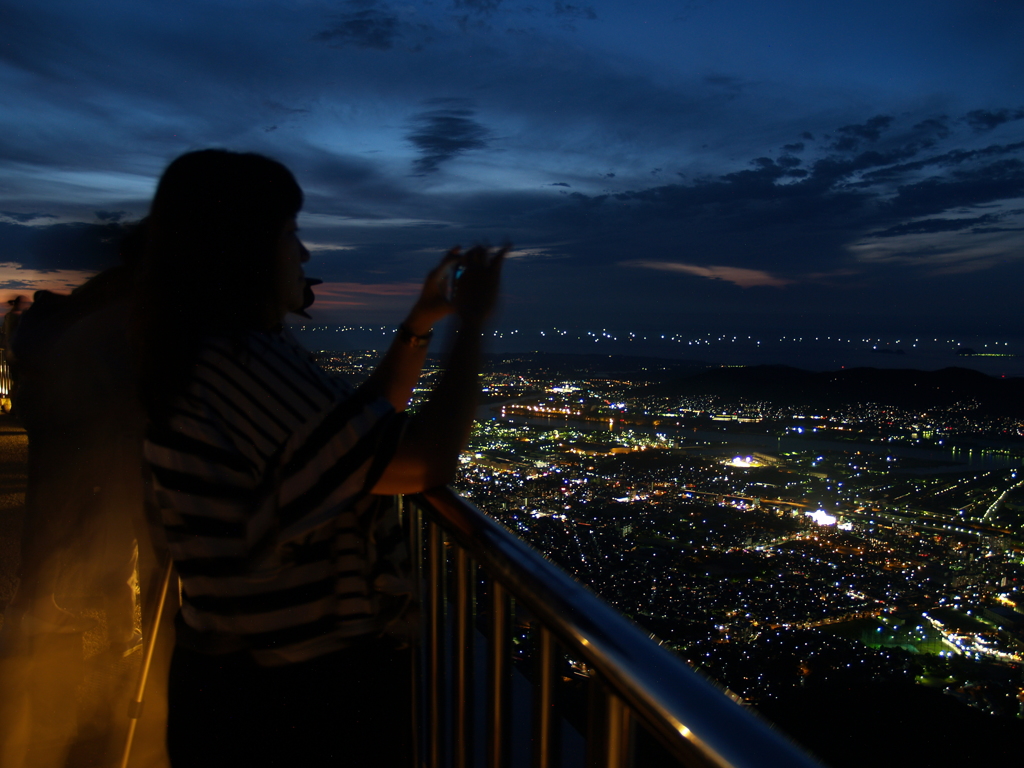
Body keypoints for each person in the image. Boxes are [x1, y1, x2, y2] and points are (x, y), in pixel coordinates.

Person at [134, 149, 505, 767]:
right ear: (241, 252)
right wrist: (471, 326)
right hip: (290, 706)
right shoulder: (241, 365)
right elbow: (420, 461)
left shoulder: (207, 357)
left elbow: (348, 438)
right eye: (288, 234)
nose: (302, 255)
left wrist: (418, 326)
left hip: (249, 688)